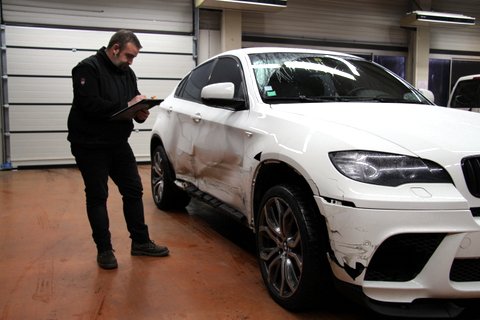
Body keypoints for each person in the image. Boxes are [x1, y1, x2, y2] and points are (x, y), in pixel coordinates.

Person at [67, 29, 169, 270]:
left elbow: (132, 103)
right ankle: (104, 250)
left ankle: (141, 242)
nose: (131, 61)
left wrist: (141, 112)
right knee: (97, 195)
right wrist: (127, 105)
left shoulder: (127, 73)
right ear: (115, 49)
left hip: (116, 143)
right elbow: (89, 105)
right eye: (128, 55)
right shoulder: (86, 69)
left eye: (133, 57)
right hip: (89, 144)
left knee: (133, 189)